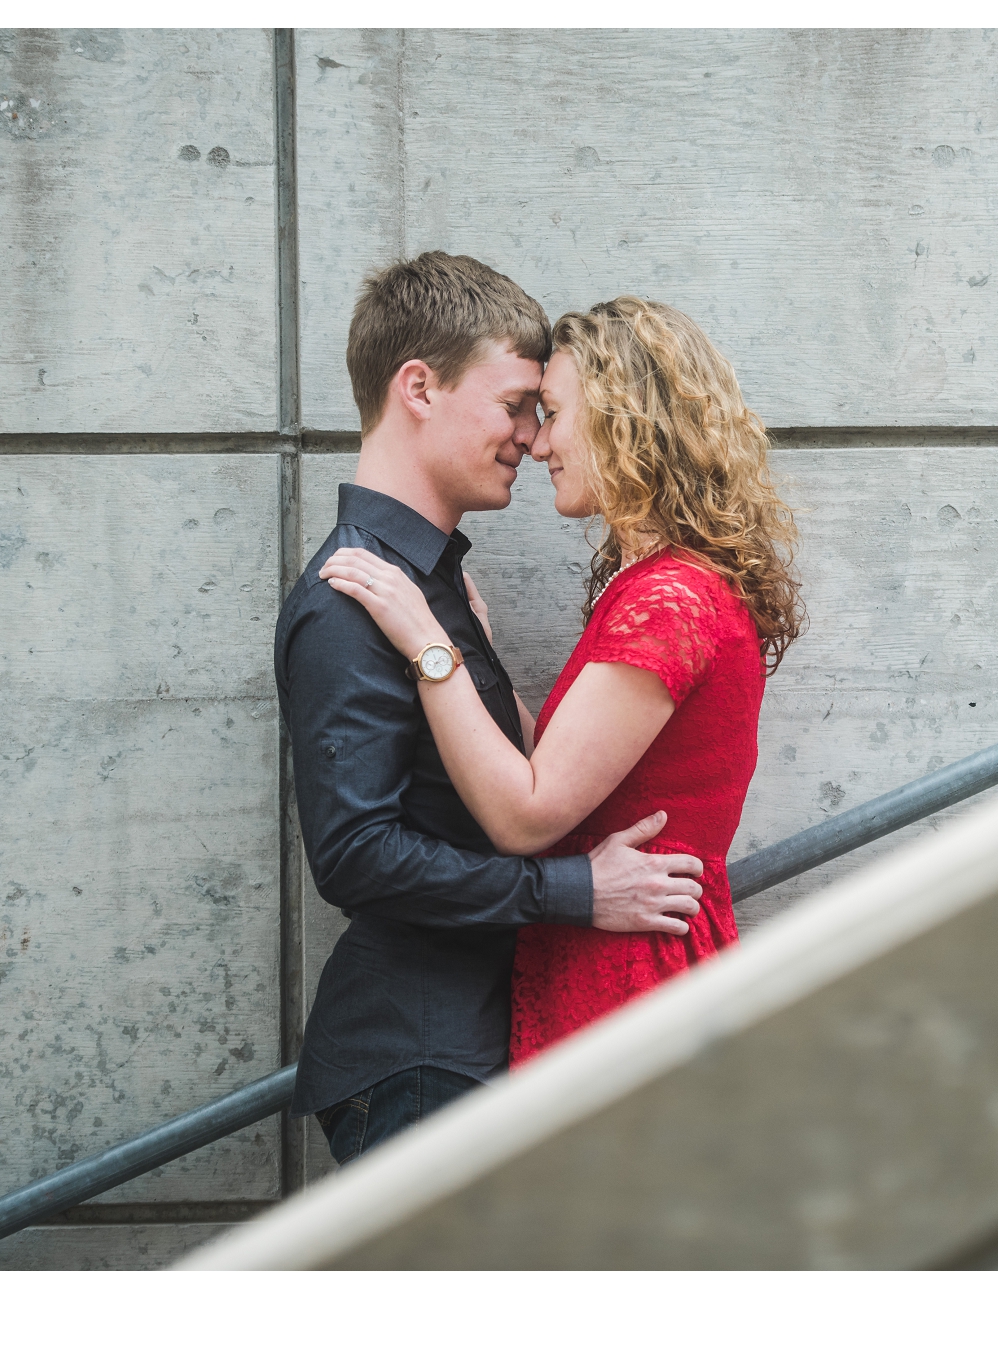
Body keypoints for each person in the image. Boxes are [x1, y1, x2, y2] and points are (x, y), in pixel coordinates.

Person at [276, 255, 707, 1165]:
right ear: (419, 387)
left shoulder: (429, 589)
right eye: (514, 402)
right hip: (418, 1057)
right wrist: (576, 891)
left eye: (540, 412)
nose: (529, 434)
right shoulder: (350, 593)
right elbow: (355, 855)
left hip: (468, 1044)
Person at [320, 296, 803, 1065]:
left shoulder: (669, 600)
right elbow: (571, 767)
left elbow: (529, 814)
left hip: (625, 976)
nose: (537, 442)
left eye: (550, 412)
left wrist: (429, 644)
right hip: (615, 959)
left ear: (625, 418)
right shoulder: (664, 586)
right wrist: (471, 643)